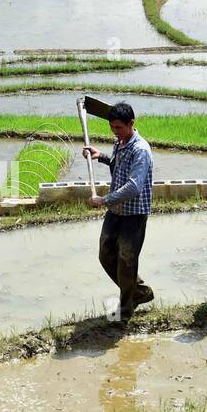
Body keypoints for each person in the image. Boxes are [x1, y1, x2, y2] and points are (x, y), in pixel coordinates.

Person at [83, 101, 154, 322]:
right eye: (112, 127)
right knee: (105, 254)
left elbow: (134, 186)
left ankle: (125, 311)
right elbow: (118, 165)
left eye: (119, 128)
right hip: (116, 211)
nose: (115, 131)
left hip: (133, 214)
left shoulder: (140, 149)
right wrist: (100, 156)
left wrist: (104, 200)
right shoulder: (120, 143)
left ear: (131, 123)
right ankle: (139, 291)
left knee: (126, 261)